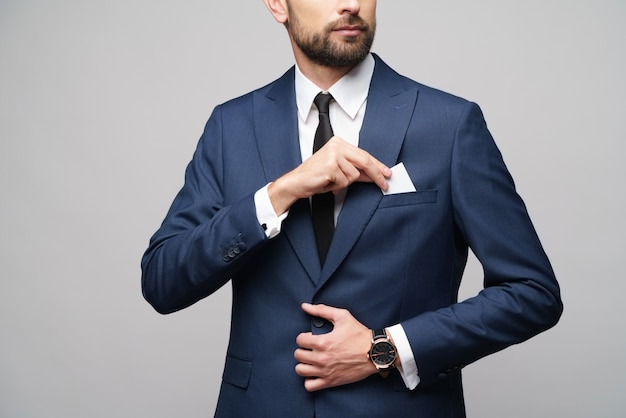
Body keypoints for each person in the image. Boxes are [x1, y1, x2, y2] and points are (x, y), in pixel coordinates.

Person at [141, 1, 563, 416]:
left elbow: (532, 292)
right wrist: (279, 193)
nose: (352, 4)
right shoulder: (230, 126)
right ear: (277, 5)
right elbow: (163, 281)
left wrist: (389, 349)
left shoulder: (450, 124)